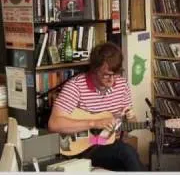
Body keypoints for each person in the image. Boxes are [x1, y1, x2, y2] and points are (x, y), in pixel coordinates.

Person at [48, 42, 144, 171]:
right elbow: (54, 124)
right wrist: (94, 123)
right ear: (94, 69)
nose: (112, 79)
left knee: (126, 159)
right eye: (106, 74)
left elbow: (129, 126)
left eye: (115, 73)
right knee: (126, 152)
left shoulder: (122, 84)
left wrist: (131, 118)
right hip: (84, 146)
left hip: (107, 143)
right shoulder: (75, 86)